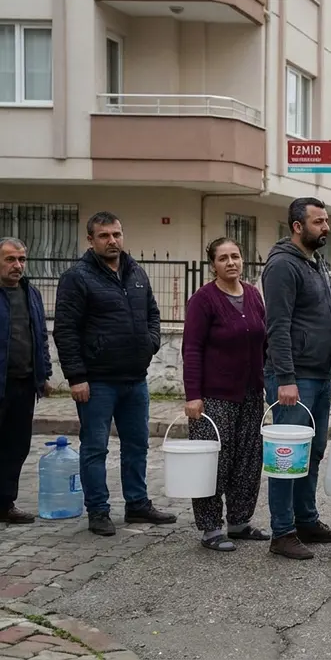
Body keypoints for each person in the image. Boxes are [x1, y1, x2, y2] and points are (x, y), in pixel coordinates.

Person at [54, 212, 176, 536]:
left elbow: (152, 313)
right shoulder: (77, 278)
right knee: (95, 448)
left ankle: (137, 504)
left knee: (137, 446)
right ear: (90, 240)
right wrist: (76, 377)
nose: (112, 241)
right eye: (104, 235)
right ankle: (98, 511)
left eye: (117, 234)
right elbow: (65, 330)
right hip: (97, 382)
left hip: (135, 379)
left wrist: (150, 342)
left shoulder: (136, 272)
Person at [261, 197, 331, 560]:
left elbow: (323, 318)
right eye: (318, 222)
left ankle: (306, 521)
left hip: (319, 374)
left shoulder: (315, 262)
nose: (326, 227)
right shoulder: (282, 265)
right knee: (288, 457)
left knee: (312, 453)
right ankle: (282, 532)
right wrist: (285, 378)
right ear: (297, 226)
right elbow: (278, 326)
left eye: (326, 220)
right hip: (293, 379)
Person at [182, 238, 269, 551]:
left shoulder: (253, 295)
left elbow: (264, 341)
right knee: (214, 463)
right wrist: (193, 395)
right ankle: (210, 529)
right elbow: (192, 349)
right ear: (213, 265)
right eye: (223, 258)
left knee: (248, 460)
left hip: (251, 394)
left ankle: (240, 522)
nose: (231, 262)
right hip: (214, 397)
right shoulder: (203, 300)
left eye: (235, 256)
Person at [0, 238, 52, 524]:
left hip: (23, 384)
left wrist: (43, 374)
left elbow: (40, 335)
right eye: (10, 259)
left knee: (16, 446)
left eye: (21, 259)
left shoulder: (30, 293)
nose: (17, 265)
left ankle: (5, 503)